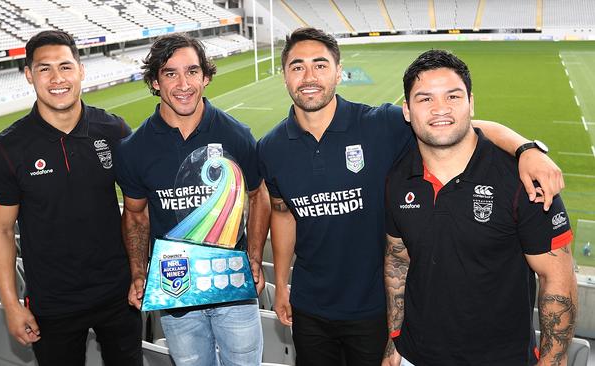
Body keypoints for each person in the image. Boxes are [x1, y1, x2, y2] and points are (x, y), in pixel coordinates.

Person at [256, 27, 565, 366]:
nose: (309, 76)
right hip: (310, 305)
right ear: (284, 75)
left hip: (373, 308)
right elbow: (282, 212)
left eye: (320, 64)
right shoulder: (271, 147)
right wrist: (282, 282)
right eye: (298, 66)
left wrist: (526, 149)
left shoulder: (379, 124)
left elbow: (451, 126)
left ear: (338, 72)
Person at [382, 49, 577, 366]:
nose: (440, 109)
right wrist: (394, 341)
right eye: (425, 99)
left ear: (471, 102)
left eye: (453, 96)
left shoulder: (524, 179)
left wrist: (554, 359)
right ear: (406, 110)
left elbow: (557, 277)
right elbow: (397, 264)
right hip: (416, 355)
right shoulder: (398, 179)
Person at [0, 30, 142, 366]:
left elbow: (138, 208)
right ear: (29, 75)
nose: (57, 79)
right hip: (53, 304)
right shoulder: (7, 150)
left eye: (66, 67)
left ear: (81, 70)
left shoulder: (113, 131)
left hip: (118, 294)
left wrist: (139, 273)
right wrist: (11, 305)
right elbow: (0, 231)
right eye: (45, 69)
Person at [113, 33, 270, 366]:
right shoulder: (134, 149)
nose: (183, 84)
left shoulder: (237, 135)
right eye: (170, 73)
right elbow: (136, 216)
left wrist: (254, 258)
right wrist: (139, 273)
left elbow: (259, 196)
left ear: (206, 77)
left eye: (192, 72)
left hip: (232, 284)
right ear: (155, 82)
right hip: (175, 288)